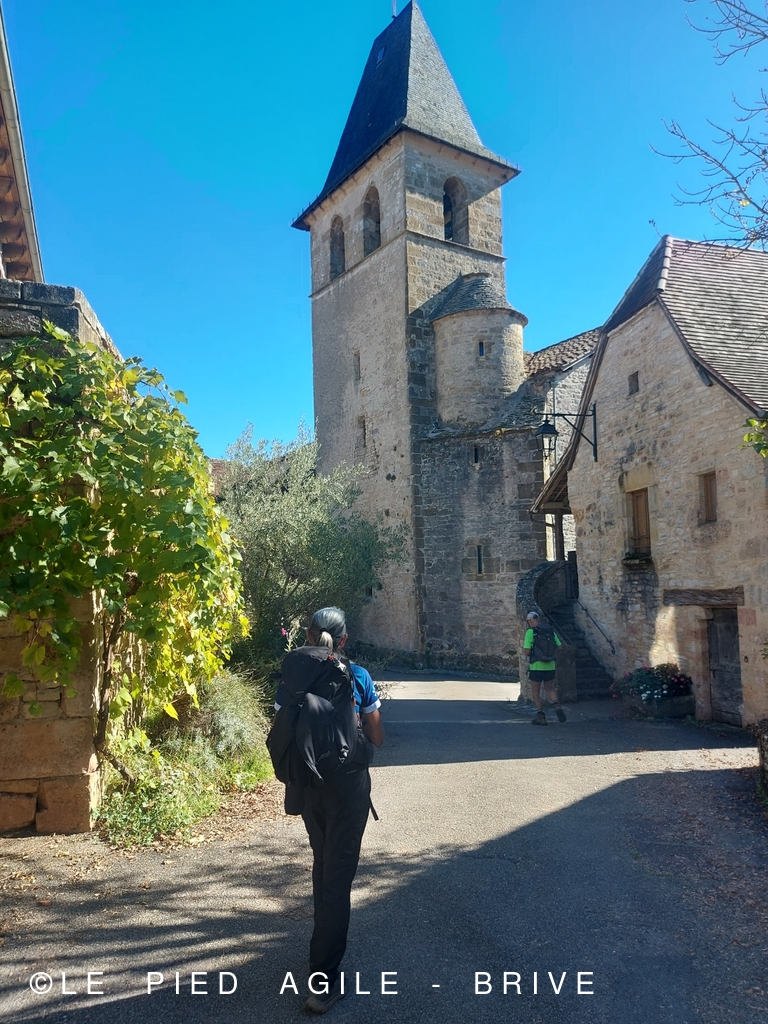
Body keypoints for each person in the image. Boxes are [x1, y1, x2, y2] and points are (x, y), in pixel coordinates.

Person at [274, 606, 384, 1015]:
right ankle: (323, 981)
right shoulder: (358, 676)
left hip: (308, 786)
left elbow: (282, 728)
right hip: (349, 787)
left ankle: (321, 946)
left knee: (323, 863)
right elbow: (377, 736)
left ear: (307, 636)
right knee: (338, 876)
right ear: (344, 640)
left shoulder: (292, 677)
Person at [523, 611, 566, 726]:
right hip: (550, 665)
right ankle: (556, 705)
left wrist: (536, 651)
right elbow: (560, 647)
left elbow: (527, 651)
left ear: (530, 621)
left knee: (535, 692)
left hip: (536, 666)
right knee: (549, 688)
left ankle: (541, 717)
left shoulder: (531, 632)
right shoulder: (550, 630)